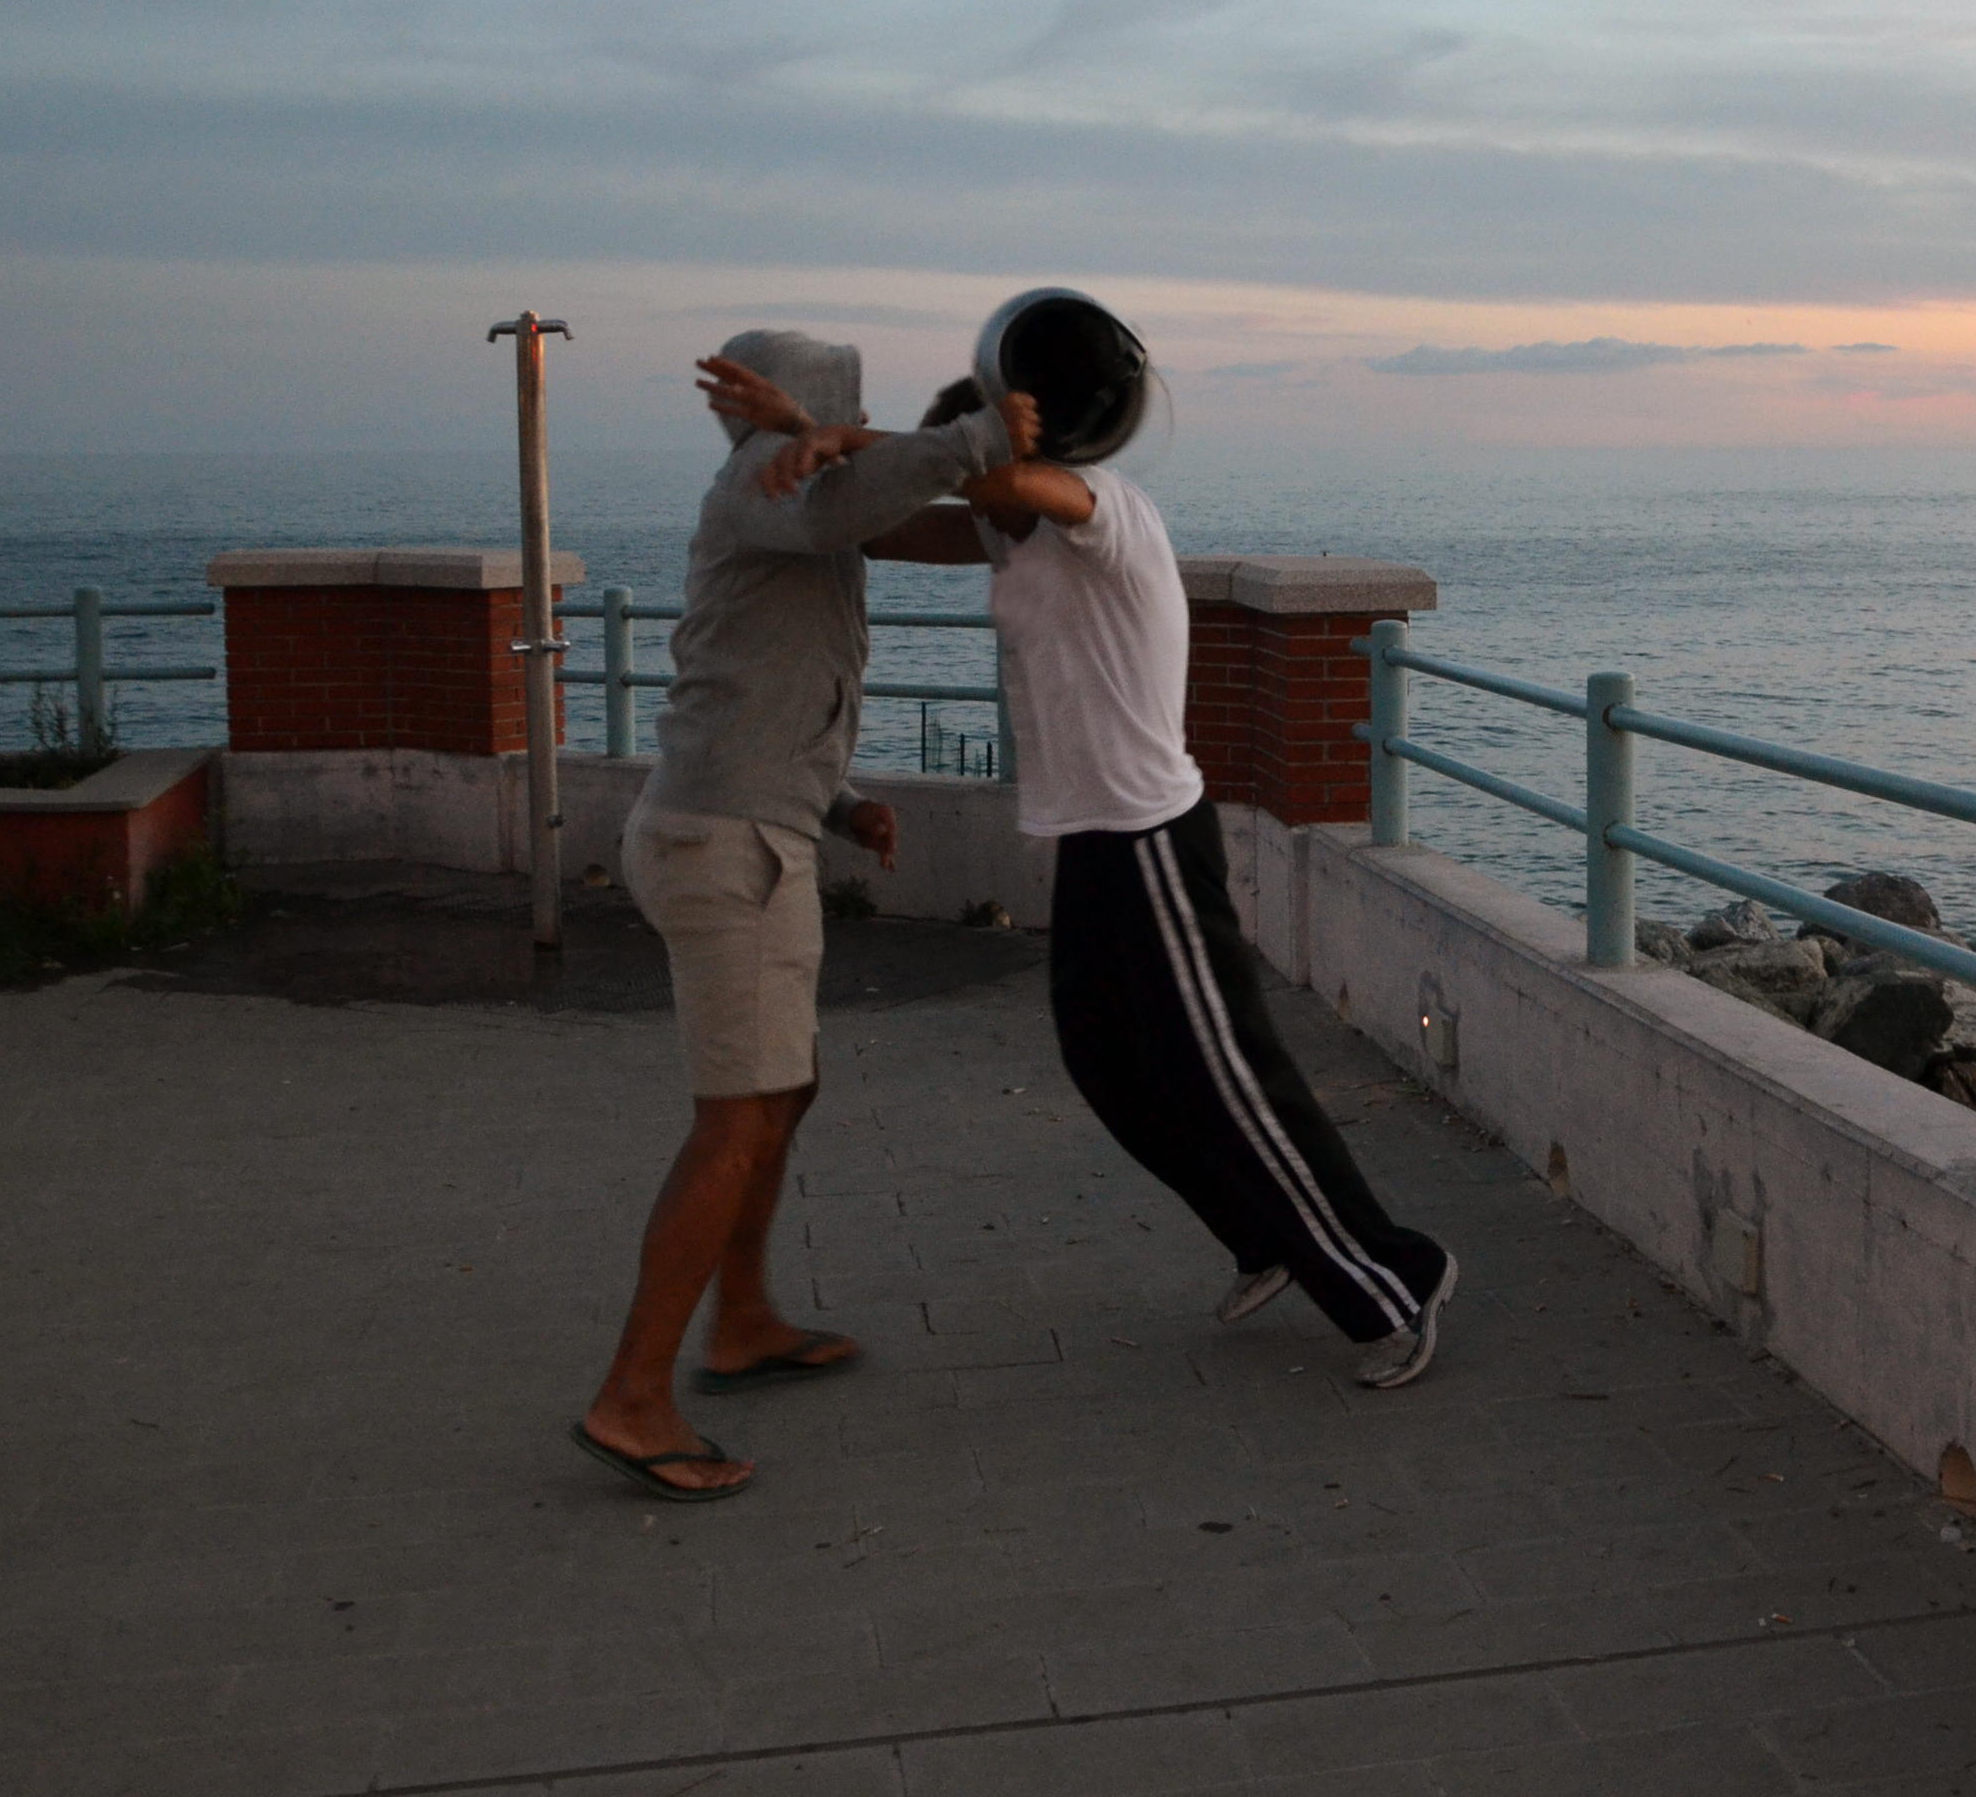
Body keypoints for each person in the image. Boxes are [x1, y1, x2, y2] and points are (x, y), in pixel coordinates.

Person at [755, 297, 1460, 1388]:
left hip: (1152, 841)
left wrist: (854, 436)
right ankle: (1264, 1233)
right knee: (1108, 1069)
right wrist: (795, 453)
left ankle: (1394, 1282)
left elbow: (1017, 485)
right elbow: (884, 531)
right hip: (1090, 844)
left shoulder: (1106, 511)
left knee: (1230, 1080)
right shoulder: (1009, 528)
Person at [569, 329, 1033, 1503]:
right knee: (732, 1123)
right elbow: (869, 500)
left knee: (785, 1092)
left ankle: (744, 1322)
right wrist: (976, 434)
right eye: (844, 403)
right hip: (724, 850)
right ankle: (632, 1396)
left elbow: (941, 539)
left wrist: (841, 803)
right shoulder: (765, 483)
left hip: (753, 829)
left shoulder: (808, 502)